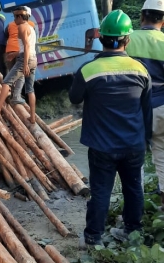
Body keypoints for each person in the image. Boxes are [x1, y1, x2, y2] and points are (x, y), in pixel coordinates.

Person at [69, 10, 152, 247]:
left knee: (101, 191)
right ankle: (132, 232)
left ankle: (93, 238)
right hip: (133, 144)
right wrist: (144, 141)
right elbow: (146, 110)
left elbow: (75, 98)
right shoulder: (141, 70)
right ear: (127, 40)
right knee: (134, 188)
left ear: (100, 38)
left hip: (101, 145)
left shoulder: (87, 70)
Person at [125, 0, 164, 207]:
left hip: (135, 110)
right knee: (163, 157)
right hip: (162, 107)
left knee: (135, 160)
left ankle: (134, 211)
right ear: (163, 21)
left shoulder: (128, 40)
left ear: (141, 17)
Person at [0, 6, 37, 123]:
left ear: (20, 16)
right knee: (30, 89)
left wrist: (24, 64)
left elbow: (27, 46)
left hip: (26, 59)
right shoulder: (30, 27)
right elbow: (27, 46)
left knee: (6, 82)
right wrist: (15, 54)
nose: (14, 19)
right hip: (33, 59)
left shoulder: (22, 27)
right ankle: (32, 117)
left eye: (15, 17)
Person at [4, 19, 35, 104]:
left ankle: (13, 95)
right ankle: (16, 96)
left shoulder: (9, 25)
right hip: (20, 51)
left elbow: (6, 35)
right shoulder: (31, 24)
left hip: (10, 50)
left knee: (12, 75)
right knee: (20, 76)